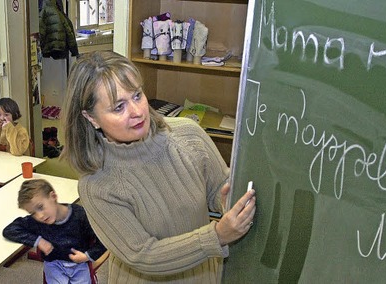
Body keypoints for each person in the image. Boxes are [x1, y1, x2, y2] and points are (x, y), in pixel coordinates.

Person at [60, 50, 256, 283]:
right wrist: (217, 236)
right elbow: (143, 254)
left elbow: (217, 187)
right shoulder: (97, 184)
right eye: (118, 107)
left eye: (137, 95)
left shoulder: (188, 133)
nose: (137, 111)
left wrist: (226, 200)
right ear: (91, 118)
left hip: (203, 275)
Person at [3, 179, 107, 284]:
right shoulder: (36, 220)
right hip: (54, 264)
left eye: (40, 207)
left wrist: (87, 256)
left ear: (53, 196)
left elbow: (103, 239)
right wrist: (38, 241)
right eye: (32, 213)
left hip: (79, 264)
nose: (39, 216)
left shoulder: (80, 215)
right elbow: (9, 230)